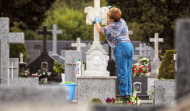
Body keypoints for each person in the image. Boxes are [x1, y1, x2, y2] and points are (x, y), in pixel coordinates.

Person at [94, 7, 134, 100]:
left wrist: (97, 22)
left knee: (122, 72)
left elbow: (100, 30)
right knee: (128, 71)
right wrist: (111, 10)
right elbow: (116, 14)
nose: (108, 18)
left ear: (112, 19)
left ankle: (125, 95)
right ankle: (129, 92)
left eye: (109, 17)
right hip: (129, 46)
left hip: (121, 47)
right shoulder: (122, 21)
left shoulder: (113, 26)